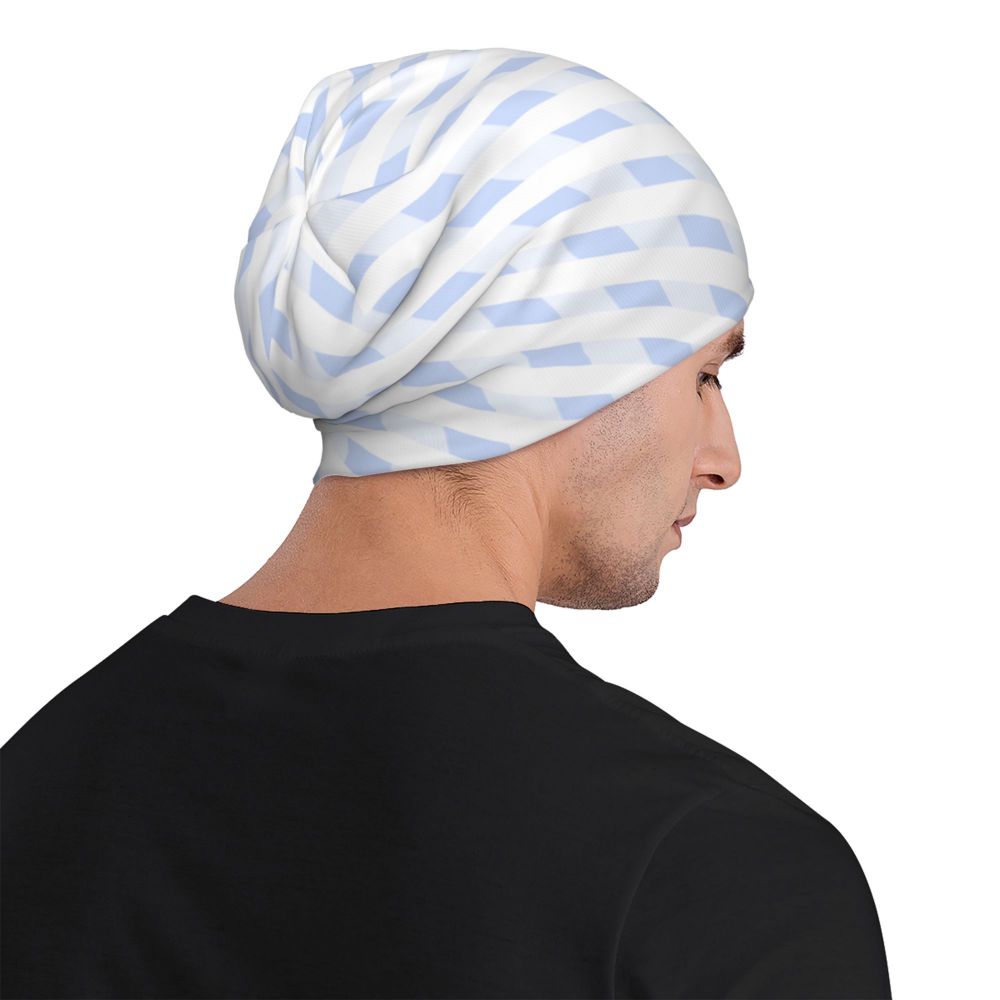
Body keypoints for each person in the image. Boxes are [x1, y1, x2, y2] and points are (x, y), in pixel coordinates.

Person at [1, 47, 891, 999]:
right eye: (705, 374)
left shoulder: (42, 784)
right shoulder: (719, 873)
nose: (724, 457)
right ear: (574, 362)